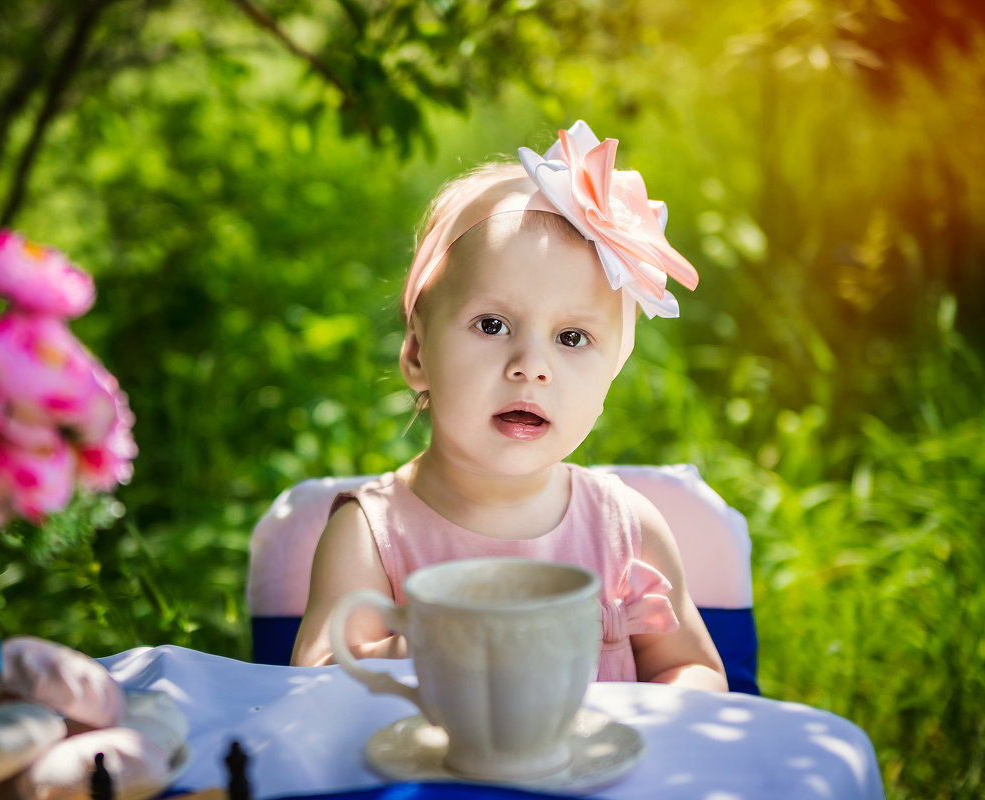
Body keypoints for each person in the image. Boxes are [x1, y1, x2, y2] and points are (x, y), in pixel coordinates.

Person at [291, 121, 727, 691]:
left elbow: (691, 669)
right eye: (493, 325)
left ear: (611, 372)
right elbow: (315, 688)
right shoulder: (371, 534)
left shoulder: (626, 529)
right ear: (418, 351)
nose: (531, 365)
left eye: (572, 338)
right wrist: (435, 639)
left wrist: (663, 714)